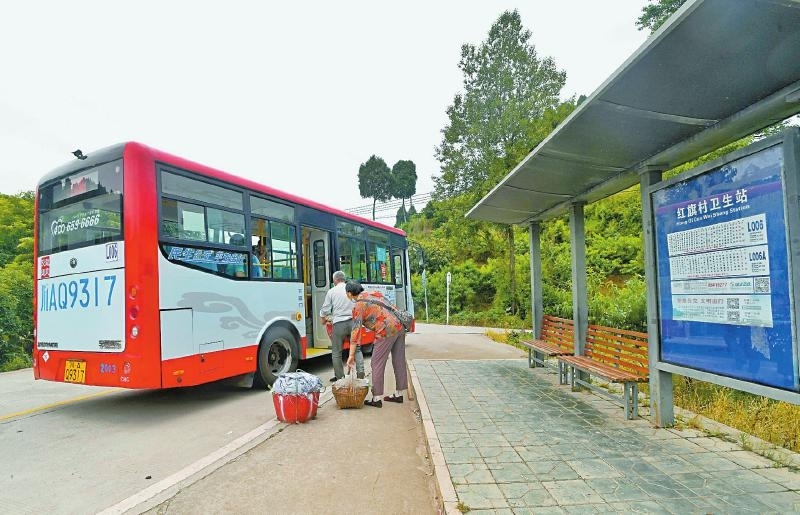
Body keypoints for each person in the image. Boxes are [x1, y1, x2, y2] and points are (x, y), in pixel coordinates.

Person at [345, 280, 407, 408]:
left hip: (385, 331)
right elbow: (391, 307)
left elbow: (355, 332)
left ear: (350, 294)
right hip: (399, 326)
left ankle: (376, 397)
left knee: (376, 362)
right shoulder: (375, 293)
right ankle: (399, 394)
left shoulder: (358, 306)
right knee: (399, 360)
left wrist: (351, 355)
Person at [320, 271, 364, 382]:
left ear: (335, 280)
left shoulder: (331, 291)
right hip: (353, 322)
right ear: (344, 279)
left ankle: (340, 378)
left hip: (339, 324)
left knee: (336, 352)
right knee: (357, 349)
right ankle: (360, 374)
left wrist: (323, 319)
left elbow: (325, 309)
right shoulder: (351, 289)